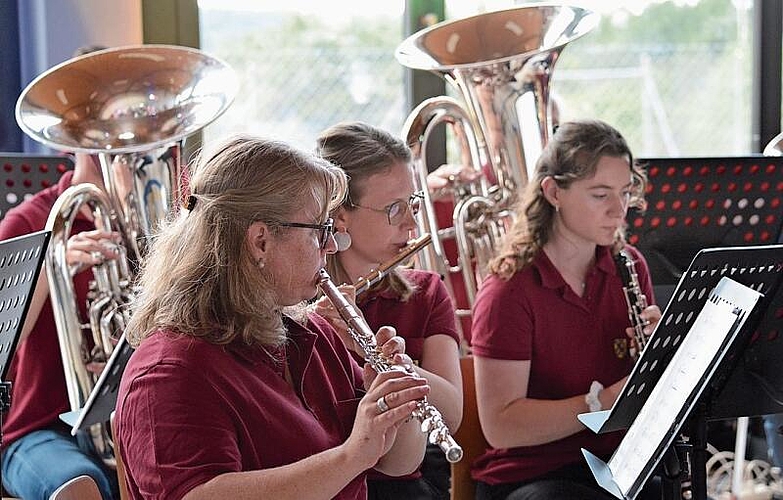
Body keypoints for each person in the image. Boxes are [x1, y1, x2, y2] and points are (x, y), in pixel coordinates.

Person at [114, 136, 429, 500]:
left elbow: (398, 463)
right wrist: (351, 455)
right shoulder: (169, 371)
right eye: (320, 230)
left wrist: (394, 405)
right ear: (260, 241)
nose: (332, 246)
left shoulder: (312, 334)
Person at [469, 119, 663, 500]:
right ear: (553, 191)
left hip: (616, 465)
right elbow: (501, 426)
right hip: (530, 477)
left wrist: (659, 353)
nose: (619, 211)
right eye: (600, 194)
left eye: (625, 193)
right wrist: (601, 402)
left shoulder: (629, 266)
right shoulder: (509, 290)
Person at [313, 122, 463, 500]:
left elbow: (453, 414)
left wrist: (380, 356)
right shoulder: (297, 298)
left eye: (413, 205)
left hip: (405, 484)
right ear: (340, 215)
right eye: (394, 209)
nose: (412, 224)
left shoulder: (426, 292)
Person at [0, 146, 121, 499]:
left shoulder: (155, 223)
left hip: (127, 417)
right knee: (78, 488)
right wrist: (51, 270)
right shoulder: (27, 221)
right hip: (35, 428)